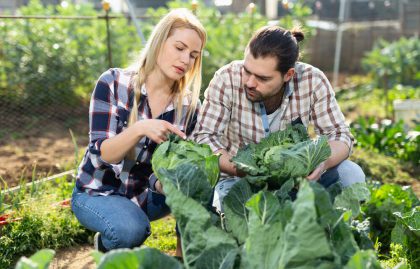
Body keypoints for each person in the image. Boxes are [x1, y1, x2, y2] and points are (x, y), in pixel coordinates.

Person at [71, 8, 206, 254]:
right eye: (179, 48)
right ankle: (108, 242)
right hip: (98, 191)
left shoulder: (188, 106)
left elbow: (178, 167)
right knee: (130, 229)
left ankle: (181, 257)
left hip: (147, 195)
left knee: (200, 186)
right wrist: (141, 128)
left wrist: (168, 184)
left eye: (193, 55)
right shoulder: (113, 83)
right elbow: (101, 155)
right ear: (159, 42)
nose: (186, 60)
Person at [192, 25, 365, 212]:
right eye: (247, 71)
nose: (250, 82)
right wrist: (239, 168)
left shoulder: (312, 80)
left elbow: (340, 135)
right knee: (239, 218)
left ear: (288, 75)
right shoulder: (226, 79)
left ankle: (327, 233)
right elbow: (204, 137)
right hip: (239, 184)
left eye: (262, 78)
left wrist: (320, 162)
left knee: (350, 175)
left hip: (298, 183)